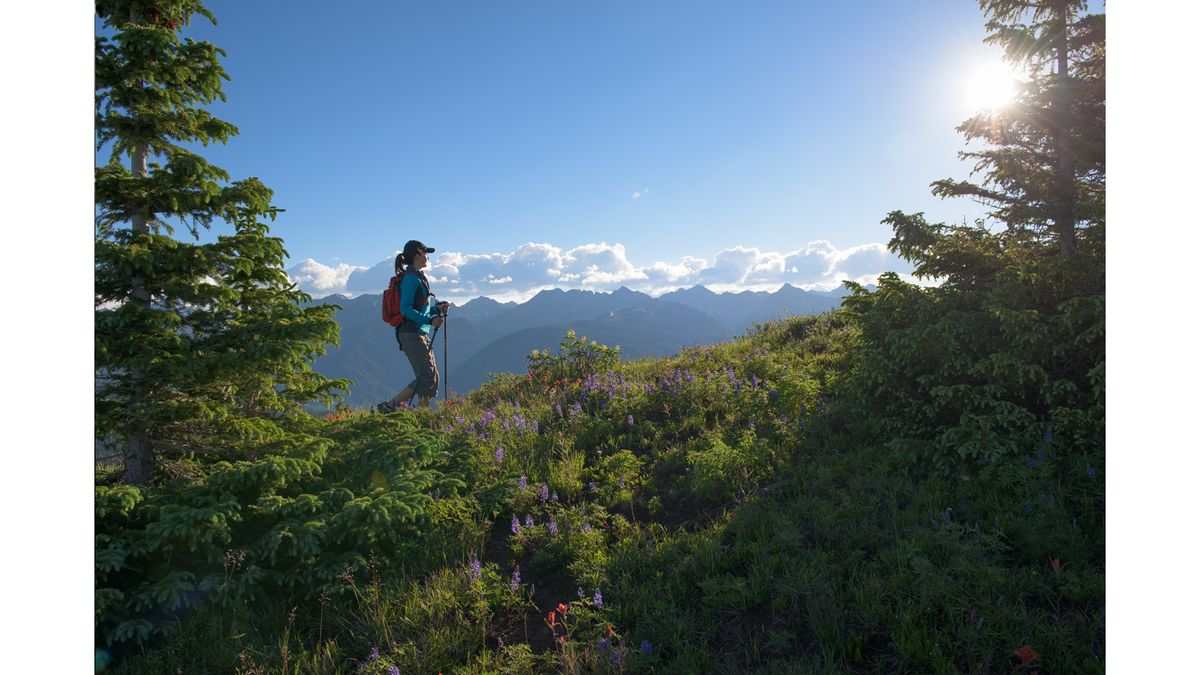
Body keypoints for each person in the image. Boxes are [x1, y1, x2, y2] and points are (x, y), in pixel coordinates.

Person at [377, 240, 450, 411]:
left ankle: (421, 416)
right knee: (427, 377)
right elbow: (405, 309)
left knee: (430, 377)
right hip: (412, 333)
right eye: (426, 254)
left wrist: (435, 309)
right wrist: (430, 320)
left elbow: (417, 308)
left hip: (416, 332)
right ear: (418, 255)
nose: (428, 258)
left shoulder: (415, 277)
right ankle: (389, 407)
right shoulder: (411, 279)